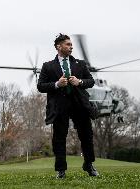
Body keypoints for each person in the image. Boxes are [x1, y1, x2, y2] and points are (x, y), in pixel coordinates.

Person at [37, 33, 99, 179]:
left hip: (80, 104)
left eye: (71, 45)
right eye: (68, 44)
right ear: (59, 47)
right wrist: (57, 84)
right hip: (59, 106)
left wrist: (80, 82)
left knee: (87, 136)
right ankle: (61, 170)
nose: (71, 47)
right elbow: (40, 86)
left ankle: (89, 165)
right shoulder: (48, 66)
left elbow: (91, 81)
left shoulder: (80, 64)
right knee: (59, 138)